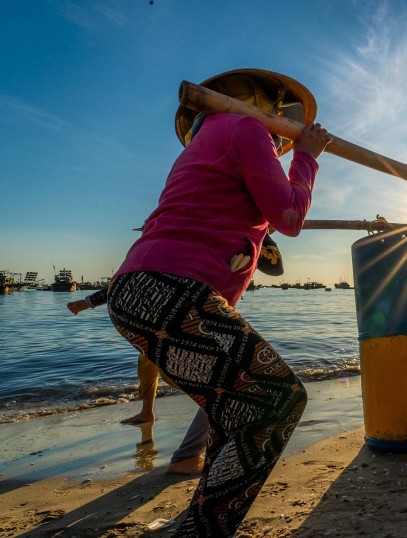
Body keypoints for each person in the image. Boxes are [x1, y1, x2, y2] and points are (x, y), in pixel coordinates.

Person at [105, 68, 332, 537]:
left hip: (138, 291)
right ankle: (203, 531)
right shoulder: (246, 128)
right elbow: (289, 216)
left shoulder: (205, 145)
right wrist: (306, 158)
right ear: (254, 104)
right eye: (273, 106)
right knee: (278, 401)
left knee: (232, 415)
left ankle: (197, 525)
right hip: (170, 290)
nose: (276, 117)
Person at [68, 288, 209, 475]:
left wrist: (88, 302)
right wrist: (88, 302)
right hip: (160, 325)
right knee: (146, 363)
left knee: (194, 384)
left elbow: (127, 280)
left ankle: (194, 445)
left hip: (181, 323)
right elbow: (126, 280)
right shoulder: (151, 268)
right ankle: (147, 413)